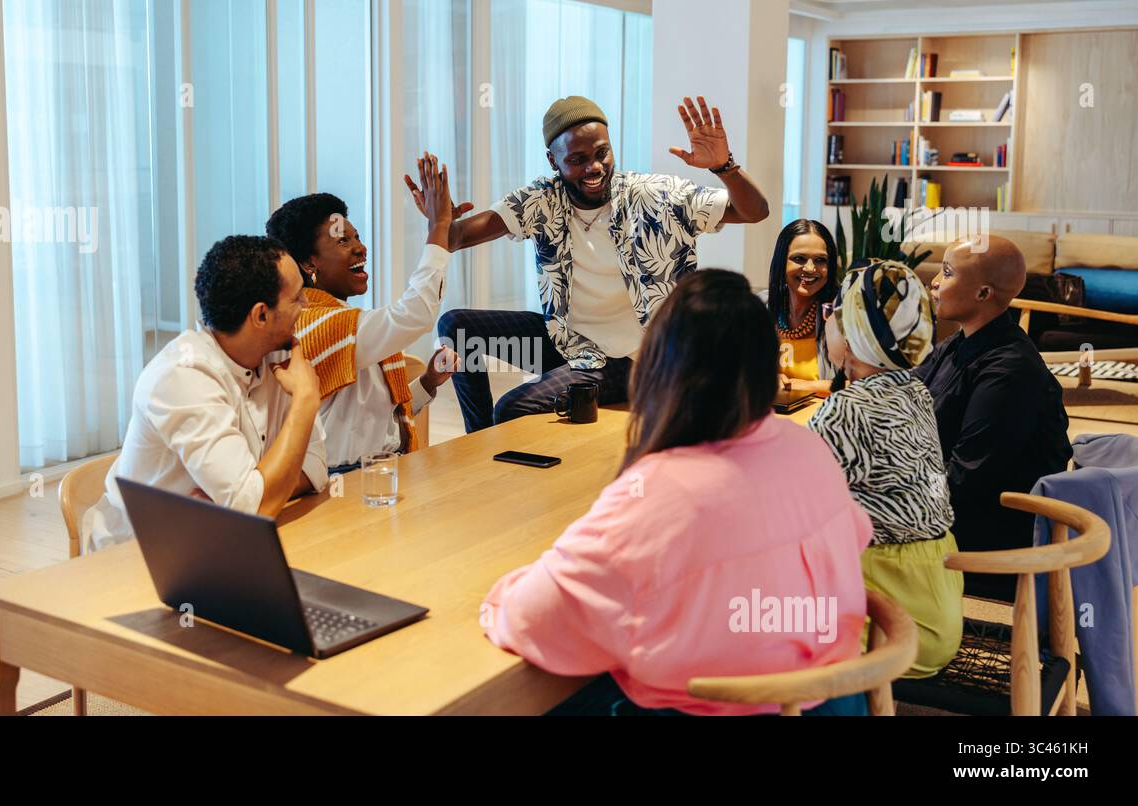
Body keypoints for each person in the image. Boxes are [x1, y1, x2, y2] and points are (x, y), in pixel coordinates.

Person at [480, 269, 873, 716]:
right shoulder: (810, 449)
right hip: (833, 698)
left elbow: (532, 617)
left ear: (659, 369)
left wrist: (504, 588)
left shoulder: (657, 493)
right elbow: (850, 542)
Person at [407, 94, 769, 433]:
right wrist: (438, 222)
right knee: (458, 326)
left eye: (602, 153)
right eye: (577, 160)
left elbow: (755, 211)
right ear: (553, 161)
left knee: (512, 407)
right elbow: (453, 238)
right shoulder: (541, 200)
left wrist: (725, 167)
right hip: (570, 343)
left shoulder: (655, 195)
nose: (594, 167)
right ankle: (480, 444)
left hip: (634, 360)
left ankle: (500, 462)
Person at [82, 236, 326, 552]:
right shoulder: (183, 376)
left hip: (222, 544)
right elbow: (253, 508)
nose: (306, 306)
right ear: (261, 315)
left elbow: (317, 464)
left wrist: (256, 491)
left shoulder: (281, 357)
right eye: (297, 298)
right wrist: (305, 402)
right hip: (140, 556)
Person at [809, 260, 962, 678]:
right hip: (938, 605)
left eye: (834, 316)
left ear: (855, 331)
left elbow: (787, 505)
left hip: (891, 622)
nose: (828, 326)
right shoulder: (915, 390)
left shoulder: (847, 409)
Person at [266, 155, 461, 474]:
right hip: (346, 484)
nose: (361, 248)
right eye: (343, 241)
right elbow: (415, 315)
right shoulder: (313, 322)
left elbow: (373, 418)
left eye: (356, 237)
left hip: (381, 471)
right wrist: (438, 228)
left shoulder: (343, 320)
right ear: (309, 263)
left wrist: (427, 381)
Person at [914, 236, 1072, 601]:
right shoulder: (959, 342)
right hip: (948, 503)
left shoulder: (1009, 370)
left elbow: (965, 479)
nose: (935, 282)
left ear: (983, 294)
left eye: (948, 273)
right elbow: (905, 397)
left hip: (986, 535)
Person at [766, 218, 839, 396]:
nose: (810, 268)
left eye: (820, 260)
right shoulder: (761, 308)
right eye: (799, 258)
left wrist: (804, 386)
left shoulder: (841, 313)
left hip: (823, 419)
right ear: (781, 261)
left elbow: (864, 385)